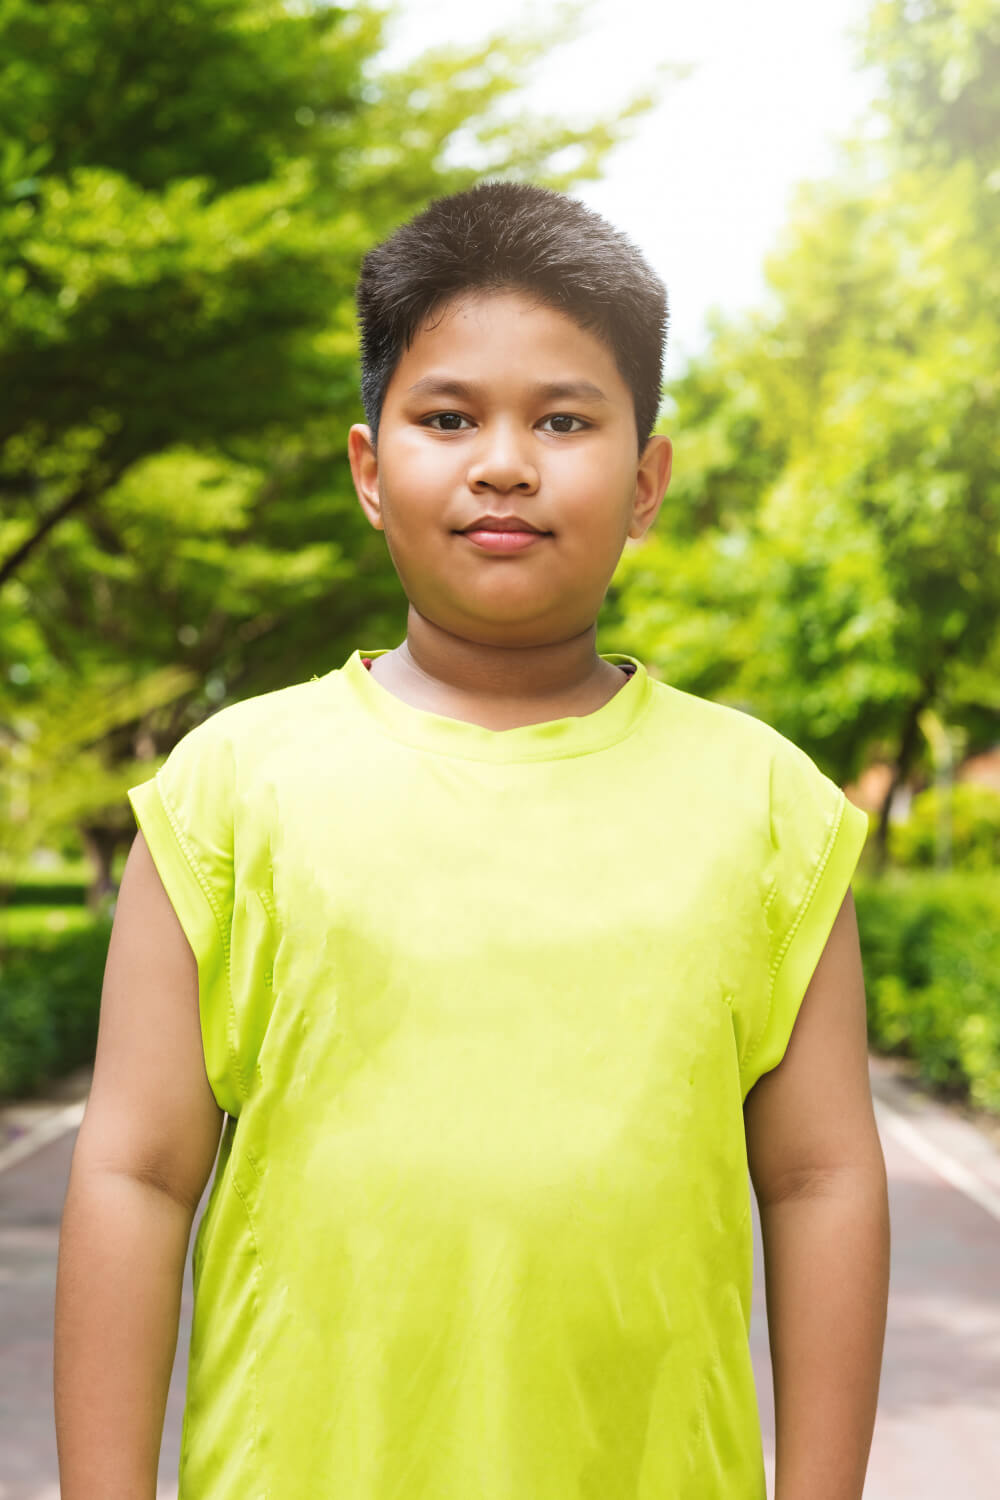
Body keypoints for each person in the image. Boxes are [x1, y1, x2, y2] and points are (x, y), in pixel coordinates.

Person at [53, 180, 890, 1499]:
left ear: (648, 480)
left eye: (564, 419)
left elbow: (824, 1183)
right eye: (450, 418)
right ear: (373, 470)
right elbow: (135, 1174)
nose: (506, 460)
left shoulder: (772, 811)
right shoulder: (230, 791)